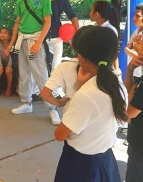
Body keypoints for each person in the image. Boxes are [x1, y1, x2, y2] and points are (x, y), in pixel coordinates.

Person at [54, 26, 127, 182]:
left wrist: (78, 89)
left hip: (81, 165)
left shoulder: (86, 95)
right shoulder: (118, 86)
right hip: (106, 159)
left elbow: (60, 135)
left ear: (82, 58)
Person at [6, 0, 60, 125]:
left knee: (40, 74)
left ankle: (52, 109)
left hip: (35, 39)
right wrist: (11, 43)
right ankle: (26, 103)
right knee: (23, 73)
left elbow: (47, 22)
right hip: (22, 40)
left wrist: (37, 43)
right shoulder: (20, 1)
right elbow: (17, 23)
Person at [40, 0, 79, 96]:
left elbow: (72, 16)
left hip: (57, 37)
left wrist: (76, 35)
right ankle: (39, 91)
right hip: (40, 37)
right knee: (41, 65)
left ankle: (56, 91)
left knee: (56, 66)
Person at [124, 44, 143, 181]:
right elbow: (127, 92)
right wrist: (130, 70)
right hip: (136, 142)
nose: (138, 41)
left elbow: (127, 115)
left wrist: (130, 97)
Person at [90, 0, 121, 76]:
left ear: (96, 14)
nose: (89, 13)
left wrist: (116, 72)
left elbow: (114, 52)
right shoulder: (98, 27)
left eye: (91, 10)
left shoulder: (108, 30)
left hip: (106, 70)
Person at [125, 3, 143, 82]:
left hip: (139, 72)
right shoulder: (136, 31)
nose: (134, 18)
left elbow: (128, 49)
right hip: (133, 70)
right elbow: (127, 48)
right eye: (134, 15)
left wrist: (130, 49)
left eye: (138, 16)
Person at [0, 28, 13, 97]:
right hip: (0, 62)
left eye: (5, 33)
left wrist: (9, 65)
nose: (2, 34)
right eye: (1, 32)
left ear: (10, 36)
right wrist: (0, 65)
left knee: (8, 70)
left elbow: (11, 56)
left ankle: (9, 88)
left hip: (10, 63)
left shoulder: (11, 44)